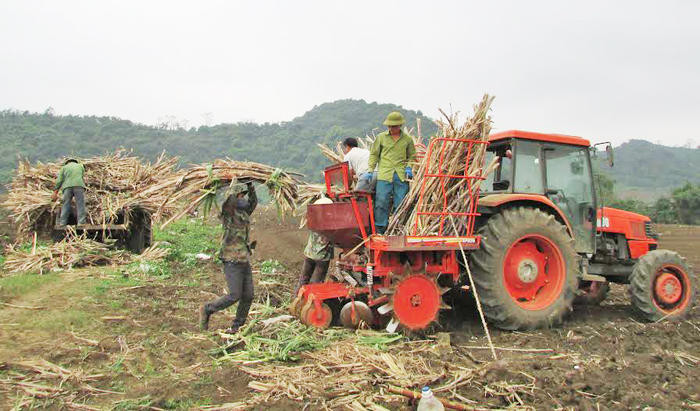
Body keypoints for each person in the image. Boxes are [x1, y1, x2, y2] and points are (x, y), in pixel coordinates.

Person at [199, 180, 258, 334]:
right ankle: (208, 309)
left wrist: (250, 187)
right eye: (240, 196)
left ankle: (237, 326)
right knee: (235, 295)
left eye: (243, 196)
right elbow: (229, 202)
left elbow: (253, 203)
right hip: (231, 259)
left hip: (244, 258)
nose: (243, 198)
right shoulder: (229, 213)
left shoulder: (244, 213)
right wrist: (233, 185)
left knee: (249, 295)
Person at [366, 111, 416, 234]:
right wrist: (370, 170)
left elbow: (412, 156)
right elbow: (374, 155)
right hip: (384, 174)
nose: (391, 128)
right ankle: (380, 230)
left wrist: (409, 167)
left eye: (393, 126)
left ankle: (399, 228)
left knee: (401, 203)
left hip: (401, 175)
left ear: (399, 126)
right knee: (381, 202)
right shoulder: (381, 137)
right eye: (389, 126)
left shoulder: (407, 140)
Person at [295, 197, 334, 294]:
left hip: (309, 255)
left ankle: (297, 300)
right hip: (322, 258)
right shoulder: (331, 223)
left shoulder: (313, 220)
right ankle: (312, 305)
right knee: (316, 284)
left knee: (303, 280)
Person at [52, 158, 87, 226]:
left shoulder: (64, 167)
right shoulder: (80, 166)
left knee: (66, 204)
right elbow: (81, 176)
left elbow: (60, 180)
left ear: (67, 163)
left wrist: (55, 191)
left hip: (67, 187)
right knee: (80, 204)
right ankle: (81, 222)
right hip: (79, 186)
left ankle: (62, 222)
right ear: (75, 162)